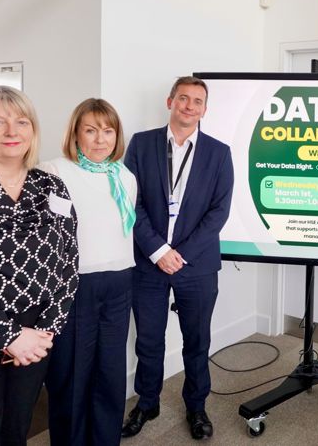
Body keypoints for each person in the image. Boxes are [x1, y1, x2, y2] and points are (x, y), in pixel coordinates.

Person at [0, 86, 79, 445]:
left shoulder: (51, 186)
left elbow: (69, 261)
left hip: (37, 333)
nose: (12, 132)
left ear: (33, 130)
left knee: (17, 427)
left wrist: (45, 331)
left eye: (21, 122)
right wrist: (9, 336)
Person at [121, 76, 234, 440]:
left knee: (196, 340)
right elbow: (130, 202)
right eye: (183, 98)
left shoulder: (219, 153)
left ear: (205, 109)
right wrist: (158, 250)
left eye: (197, 101)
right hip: (148, 263)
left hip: (196, 266)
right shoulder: (141, 144)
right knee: (149, 340)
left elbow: (219, 212)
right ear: (170, 101)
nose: (189, 105)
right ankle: (148, 402)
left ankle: (196, 406)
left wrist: (179, 254)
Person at [41, 98, 137, 446]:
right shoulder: (54, 171)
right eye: (91, 130)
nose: (100, 139)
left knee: (110, 374)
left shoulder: (124, 177)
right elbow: (47, 235)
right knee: (71, 376)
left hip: (120, 282)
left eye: (108, 130)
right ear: (76, 134)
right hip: (75, 285)